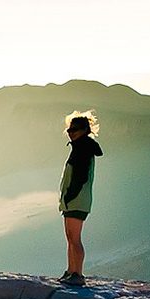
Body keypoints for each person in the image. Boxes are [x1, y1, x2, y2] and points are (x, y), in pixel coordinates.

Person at [57, 111, 102, 286]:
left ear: (84, 130)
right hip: (74, 200)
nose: (70, 132)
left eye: (75, 129)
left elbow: (80, 177)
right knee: (70, 236)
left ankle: (78, 274)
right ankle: (71, 271)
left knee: (74, 238)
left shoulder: (83, 149)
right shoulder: (80, 147)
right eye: (69, 128)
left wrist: (70, 195)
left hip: (77, 199)